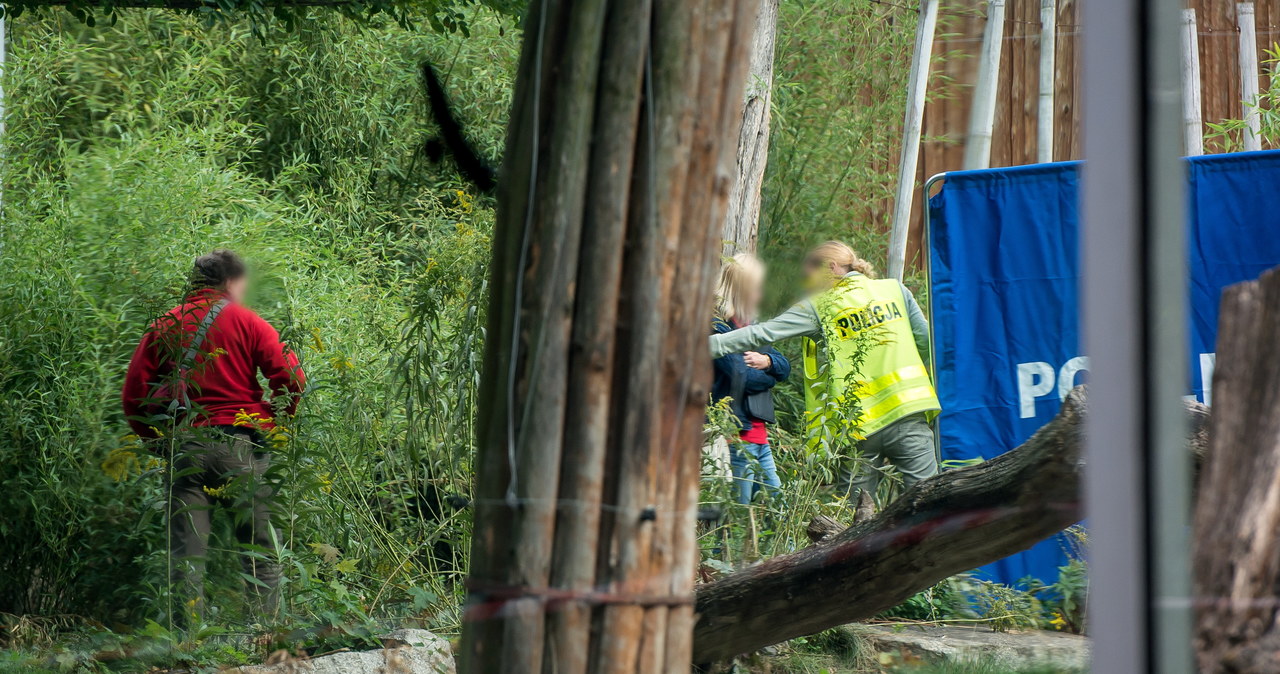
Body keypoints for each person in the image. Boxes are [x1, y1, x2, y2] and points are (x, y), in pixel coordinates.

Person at [122, 249, 305, 623]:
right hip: (243, 446)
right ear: (231, 282)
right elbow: (292, 379)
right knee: (260, 551)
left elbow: (134, 395)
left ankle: (187, 647)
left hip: (186, 446)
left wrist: (158, 440)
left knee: (186, 557)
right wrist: (275, 421)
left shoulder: (166, 324)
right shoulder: (250, 322)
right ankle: (263, 638)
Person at [709, 241, 939, 502]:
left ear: (831, 267)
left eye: (810, 277)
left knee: (853, 518)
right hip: (908, 413)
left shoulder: (820, 305)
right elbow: (929, 345)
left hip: (857, 425)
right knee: (926, 502)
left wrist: (706, 345)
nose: (809, 285)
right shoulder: (894, 290)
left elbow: (763, 332)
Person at [711, 254, 791, 505]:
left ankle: (788, 547)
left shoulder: (752, 327)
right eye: (756, 289)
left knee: (778, 507)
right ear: (741, 290)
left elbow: (783, 366)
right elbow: (741, 375)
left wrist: (767, 362)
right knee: (737, 516)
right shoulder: (718, 328)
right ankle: (722, 547)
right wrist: (769, 376)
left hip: (759, 436)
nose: (760, 295)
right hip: (736, 436)